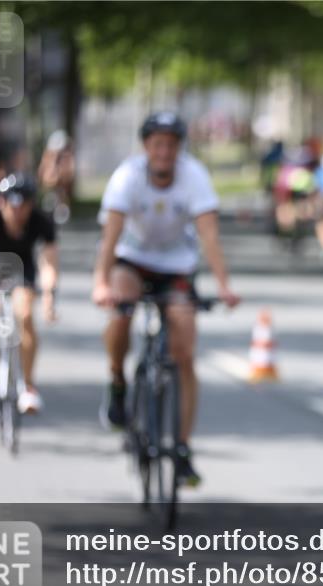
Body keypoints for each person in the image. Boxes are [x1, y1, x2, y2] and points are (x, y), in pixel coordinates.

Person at [91, 111, 241, 487]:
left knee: (185, 349)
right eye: (157, 144)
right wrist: (99, 283)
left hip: (176, 266)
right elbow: (109, 238)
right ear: (146, 147)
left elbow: (209, 236)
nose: (164, 152)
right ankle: (117, 382)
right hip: (132, 260)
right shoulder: (127, 176)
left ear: (179, 148)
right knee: (122, 309)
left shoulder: (194, 177)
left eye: (171, 145)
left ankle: (183, 447)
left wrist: (223, 285)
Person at [0, 174, 59, 414]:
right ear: (1, 203)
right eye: (10, 204)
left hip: (23, 269)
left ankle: (28, 386)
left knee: (25, 315)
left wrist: (49, 297)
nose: (16, 211)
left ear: (31, 205)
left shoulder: (41, 222)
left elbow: (49, 263)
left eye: (22, 205)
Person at [38, 129, 76, 225]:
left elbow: (68, 177)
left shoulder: (67, 159)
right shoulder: (47, 159)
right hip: (49, 200)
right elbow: (47, 180)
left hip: (61, 205)